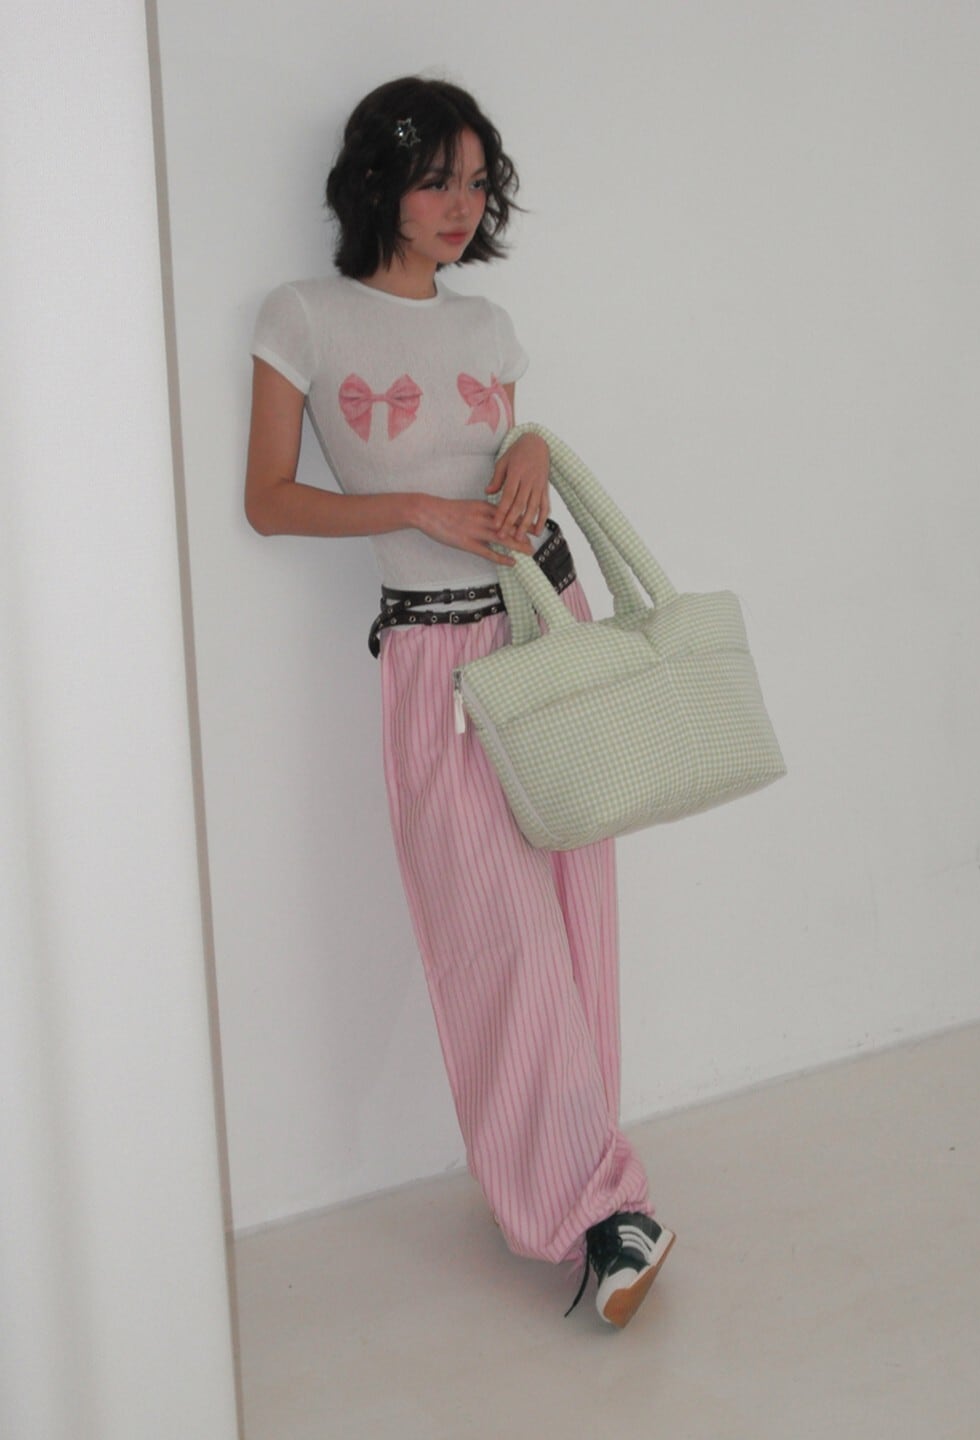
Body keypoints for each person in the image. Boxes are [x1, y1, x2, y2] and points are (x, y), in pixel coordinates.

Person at [244, 75, 674, 1327]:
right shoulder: (303, 318)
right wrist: (415, 511)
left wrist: (530, 447)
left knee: (575, 919)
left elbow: (506, 463)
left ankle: (592, 1196)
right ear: (379, 180)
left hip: (543, 624)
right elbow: (269, 498)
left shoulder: (488, 327)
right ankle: (598, 1210)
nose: (461, 205)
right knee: (501, 944)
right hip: (435, 661)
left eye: (478, 183)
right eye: (437, 178)